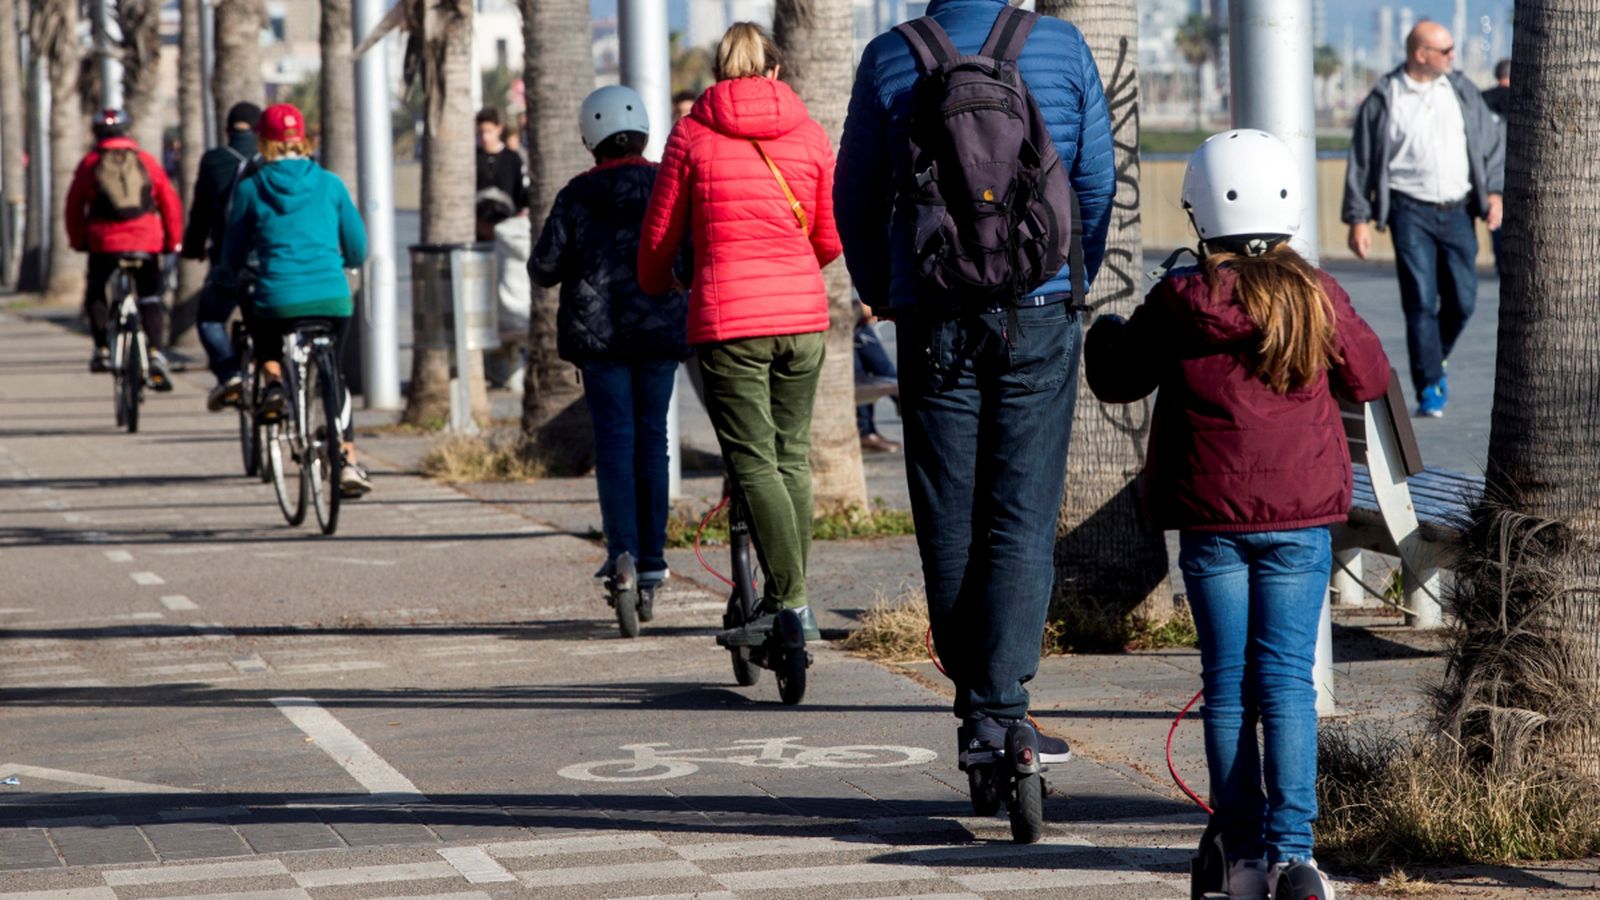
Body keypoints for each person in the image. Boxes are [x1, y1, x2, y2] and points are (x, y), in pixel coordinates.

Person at [1086, 129, 1391, 900]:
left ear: (1199, 212)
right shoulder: (1314, 293)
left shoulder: (1179, 300)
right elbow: (1370, 378)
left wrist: (1104, 335)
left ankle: (1243, 856)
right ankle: (1296, 858)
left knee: (1226, 685)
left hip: (1213, 523)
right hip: (1298, 522)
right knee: (1286, 685)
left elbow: (1118, 380)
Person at [835, 0, 1114, 770]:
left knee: (948, 512)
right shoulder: (1061, 46)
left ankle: (982, 710)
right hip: (1039, 310)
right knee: (1021, 512)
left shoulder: (890, 56)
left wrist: (882, 290)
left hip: (931, 315)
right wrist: (1065, 276)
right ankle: (1001, 708)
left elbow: (854, 195)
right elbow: (1093, 183)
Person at [639, 22, 842, 645]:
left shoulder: (691, 134)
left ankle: (792, 603)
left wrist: (661, 282)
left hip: (730, 321)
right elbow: (831, 238)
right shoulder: (809, 132)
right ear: (775, 71)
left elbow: (659, 237)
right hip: (802, 321)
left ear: (717, 73)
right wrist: (792, 270)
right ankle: (793, 599)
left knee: (754, 462)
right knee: (791, 458)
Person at [532, 84, 689, 600]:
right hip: (660, 331)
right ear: (643, 131)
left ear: (588, 139)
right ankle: (654, 561)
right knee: (653, 441)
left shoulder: (575, 195)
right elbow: (689, 252)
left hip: (598, 341)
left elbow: (544, 268)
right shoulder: (665, 182)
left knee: (616, 443)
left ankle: (622, 553)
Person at [1342, 20, 1503, 418]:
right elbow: (1361, 161)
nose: (1453, 56)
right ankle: (1429, 384)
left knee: (1463, 299)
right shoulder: (1385, 97)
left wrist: (1495, 194)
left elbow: (1491, 144)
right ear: (1420, 54)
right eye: (1445, 51)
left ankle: (1435, 355)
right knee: (1420, 300)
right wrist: (1358, 219)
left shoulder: (1461, 89)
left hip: (1458, 209)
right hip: (1408, 210)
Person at [220, 103, 373, 498]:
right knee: (334, 374)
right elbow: (357, 246)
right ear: (304, 139)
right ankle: (347, 460)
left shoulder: (252, 188)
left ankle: (273, 383)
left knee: (262, 327)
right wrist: (347, 262)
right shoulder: (331, 184)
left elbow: (233, 252)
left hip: (277, 299)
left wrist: (229, 273)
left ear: (263, 141)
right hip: (331, 297)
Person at [66, 108, 184, 388]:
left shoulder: (91, 163)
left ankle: (102, 349)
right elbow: (169, 202)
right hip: (146, 240)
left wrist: (78, 240)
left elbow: (74, 206)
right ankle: (156, 353)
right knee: (150, 296)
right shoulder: (145, 161)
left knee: (96, 290)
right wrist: (172, 241)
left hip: (104, 242)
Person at [182, 101, 264, 411]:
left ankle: (230, 374)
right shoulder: (272, 162)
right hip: (272, 263)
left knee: (211, 319)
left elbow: (200, 212)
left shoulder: (215, 160)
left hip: (228, 262)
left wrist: (192, 248)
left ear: (228, 130)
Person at [854, 302, 899, 453]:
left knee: (888, 375)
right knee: (860, 381)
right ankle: (866, 432)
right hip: (847, 319)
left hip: (858, 321)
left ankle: (867, 431)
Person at [1480, 58, 1510, 278]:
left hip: (1490, 169)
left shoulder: (1483, 99)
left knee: (1495, 216)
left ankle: (1500, 260)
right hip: (1516, 167)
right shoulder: (1522, 98)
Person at [476, 107, 528, 213]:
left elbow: (519, 192)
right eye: (481, 132)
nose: (485, 137)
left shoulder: (512, 158)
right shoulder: (475, 157)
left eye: (489, 131)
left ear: (498, 129)